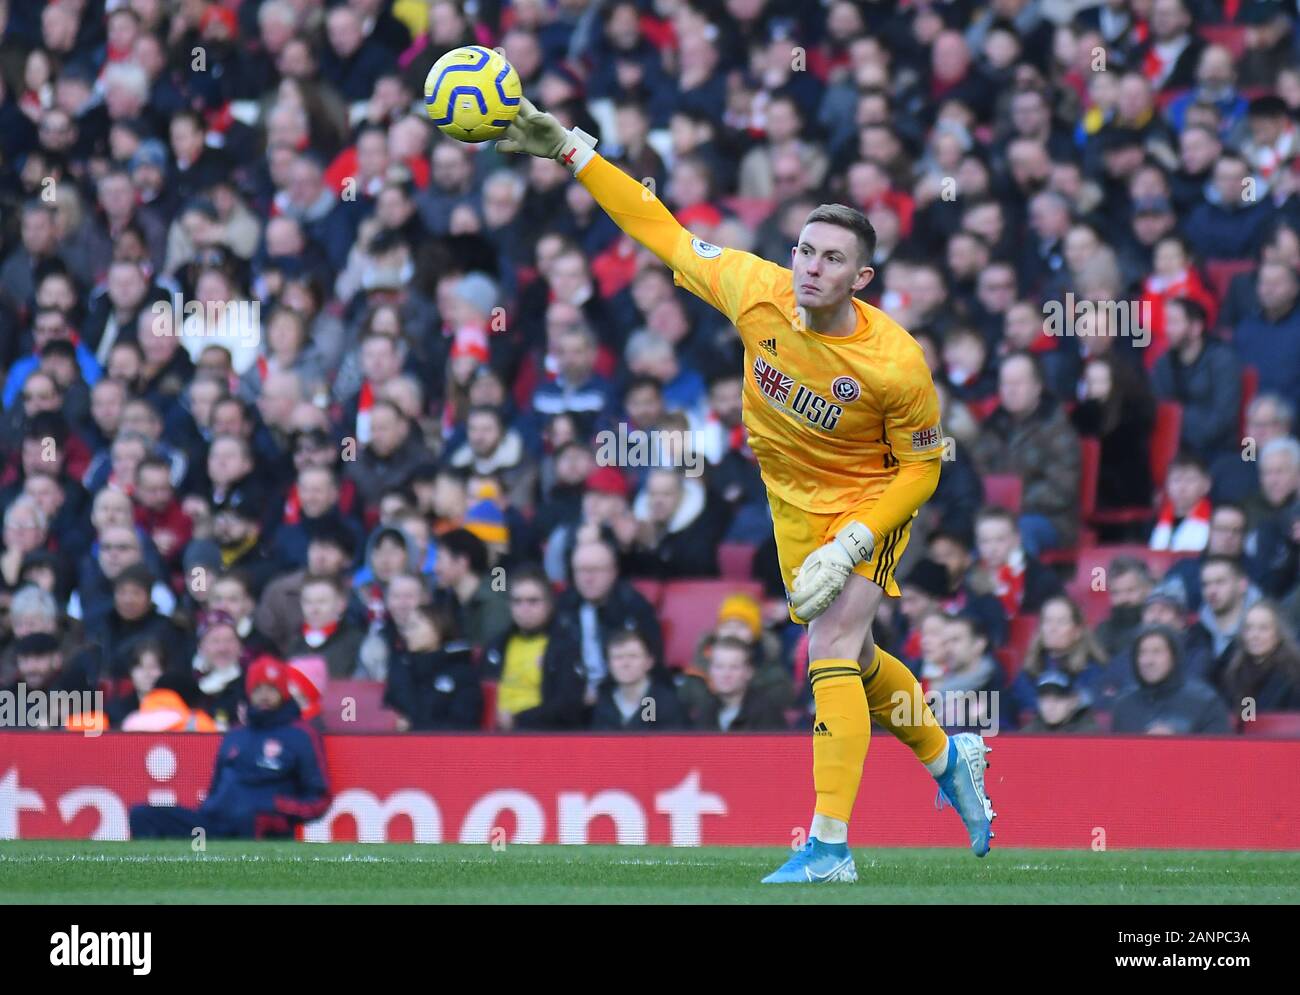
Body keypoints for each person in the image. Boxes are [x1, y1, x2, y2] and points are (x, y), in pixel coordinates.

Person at [498, 95, 995, 881]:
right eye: (805, 249)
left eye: (833, 258)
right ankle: (948, 758)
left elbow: (925, 467)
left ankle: (829, 845)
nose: (811, 266)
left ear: (862, 277)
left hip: (868, 498)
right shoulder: (753, 287)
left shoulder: (896, 364)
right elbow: (655, 224)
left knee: (826, 647)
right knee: (858, 662)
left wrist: (862, 536)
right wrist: (566, 148)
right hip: (786, 497)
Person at [129, 657, 332, 839]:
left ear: (283, 693)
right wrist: (213, 806)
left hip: (260, 829)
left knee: (245, 820)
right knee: (143, 816)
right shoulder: (236, 734)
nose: (264, 695)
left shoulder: (301, 735)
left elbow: (319, 800)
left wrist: (274, 809)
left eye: (272, 689)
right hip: (214, 824)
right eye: (258, 689)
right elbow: (215, 790)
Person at [482, 566, 585, 730]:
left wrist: (518, 720)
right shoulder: (496, 646)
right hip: (493, 736)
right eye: (517, 601)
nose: (524, 609)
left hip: (541, 737)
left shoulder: (564, 647)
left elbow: (568, 707)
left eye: (533, 601)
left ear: (549, 604)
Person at [1110, 626, 1231, 735]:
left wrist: (1176, 744)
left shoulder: (1206, 702)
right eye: (1142, 653)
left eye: (1157, 652)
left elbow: (1220, 755)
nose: (1148, 661)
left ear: (1174, 657)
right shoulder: (1123, 705)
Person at [383, 604, 482, 731]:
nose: (407, 634)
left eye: (414, 626)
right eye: (407, 628)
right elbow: (388, 710)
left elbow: (463, 727)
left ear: (438, 628)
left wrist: (414, 727)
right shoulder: (402, 668)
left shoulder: (462, 673)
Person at [1216, 601, 1300, 722]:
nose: (1255, 635)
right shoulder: (1234, 673)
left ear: (1277, 635)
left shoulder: (1292, 676)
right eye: (1249, 628)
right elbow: (1244, 720)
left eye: (1263, 628)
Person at [590, 629, 687, 731]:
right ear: (608, 664)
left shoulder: (665, 703)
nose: (625, 664)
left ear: (649, 662)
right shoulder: (603, 701)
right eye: (618, 657)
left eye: (633, 656)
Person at [693, 636, 789, 731]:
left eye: (734, 667)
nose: (726, 674)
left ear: (749, 672)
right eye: (719, 666)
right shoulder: (705, 709)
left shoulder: (767, 712)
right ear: (710, 670)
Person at [1020, 669, 1100, 734]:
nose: (1049, 707)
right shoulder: (1032, 729)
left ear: (1073, 701)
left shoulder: (1088, 734)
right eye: (1044, 700)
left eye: (1057, 700)